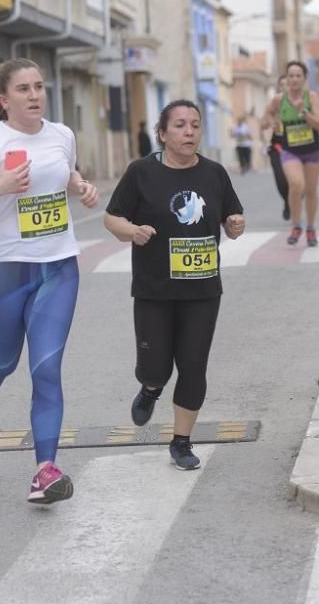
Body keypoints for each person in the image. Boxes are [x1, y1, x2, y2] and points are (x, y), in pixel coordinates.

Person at [0, 58, 99, 504]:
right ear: (4, 99)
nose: (35, 96)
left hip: (58, 266)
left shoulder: (61, 135)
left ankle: (45, 471)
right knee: (2, 360)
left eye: (39, 87)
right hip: (1, 270)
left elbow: (64, 172)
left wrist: (80, 185)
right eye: (24, 89)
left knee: (47, 368)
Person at [104, 99, 245, 471]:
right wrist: (132, 231)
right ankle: (151, 388)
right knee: (155, 366)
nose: (189, 132)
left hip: (202, 291)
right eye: (180, 125)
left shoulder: (214, 174)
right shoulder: (141, 173)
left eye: (195, 125)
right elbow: (112, 218)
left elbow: (233, 214)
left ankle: (181, 441)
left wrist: (234, 224)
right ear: (163, 134)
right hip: (154, 289)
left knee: (194, 366)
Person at [265, 61, 319, 247]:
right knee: (296, 184)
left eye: (298, 75)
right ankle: (296, 224)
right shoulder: (279, 99)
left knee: (311, 191)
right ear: (287, 78)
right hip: (290, 151)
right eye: (291, 75)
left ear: (304, 79)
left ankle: (311, 227)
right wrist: (273, 121)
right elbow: (269, 112)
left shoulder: (311, 97)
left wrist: (304, 112)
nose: (294, 79)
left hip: (313, 151)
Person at [261, 75, 290, 220]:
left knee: (295, 182)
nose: (285, 87)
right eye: (282, 85)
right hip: (277, 146)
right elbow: (262, 124)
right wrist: (270, 123)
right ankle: (287, 202)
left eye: (287, 84)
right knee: (281, 180)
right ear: (279, 87)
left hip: (294, 147)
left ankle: (293, 199)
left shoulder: (297, 103)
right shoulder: (272, 105)